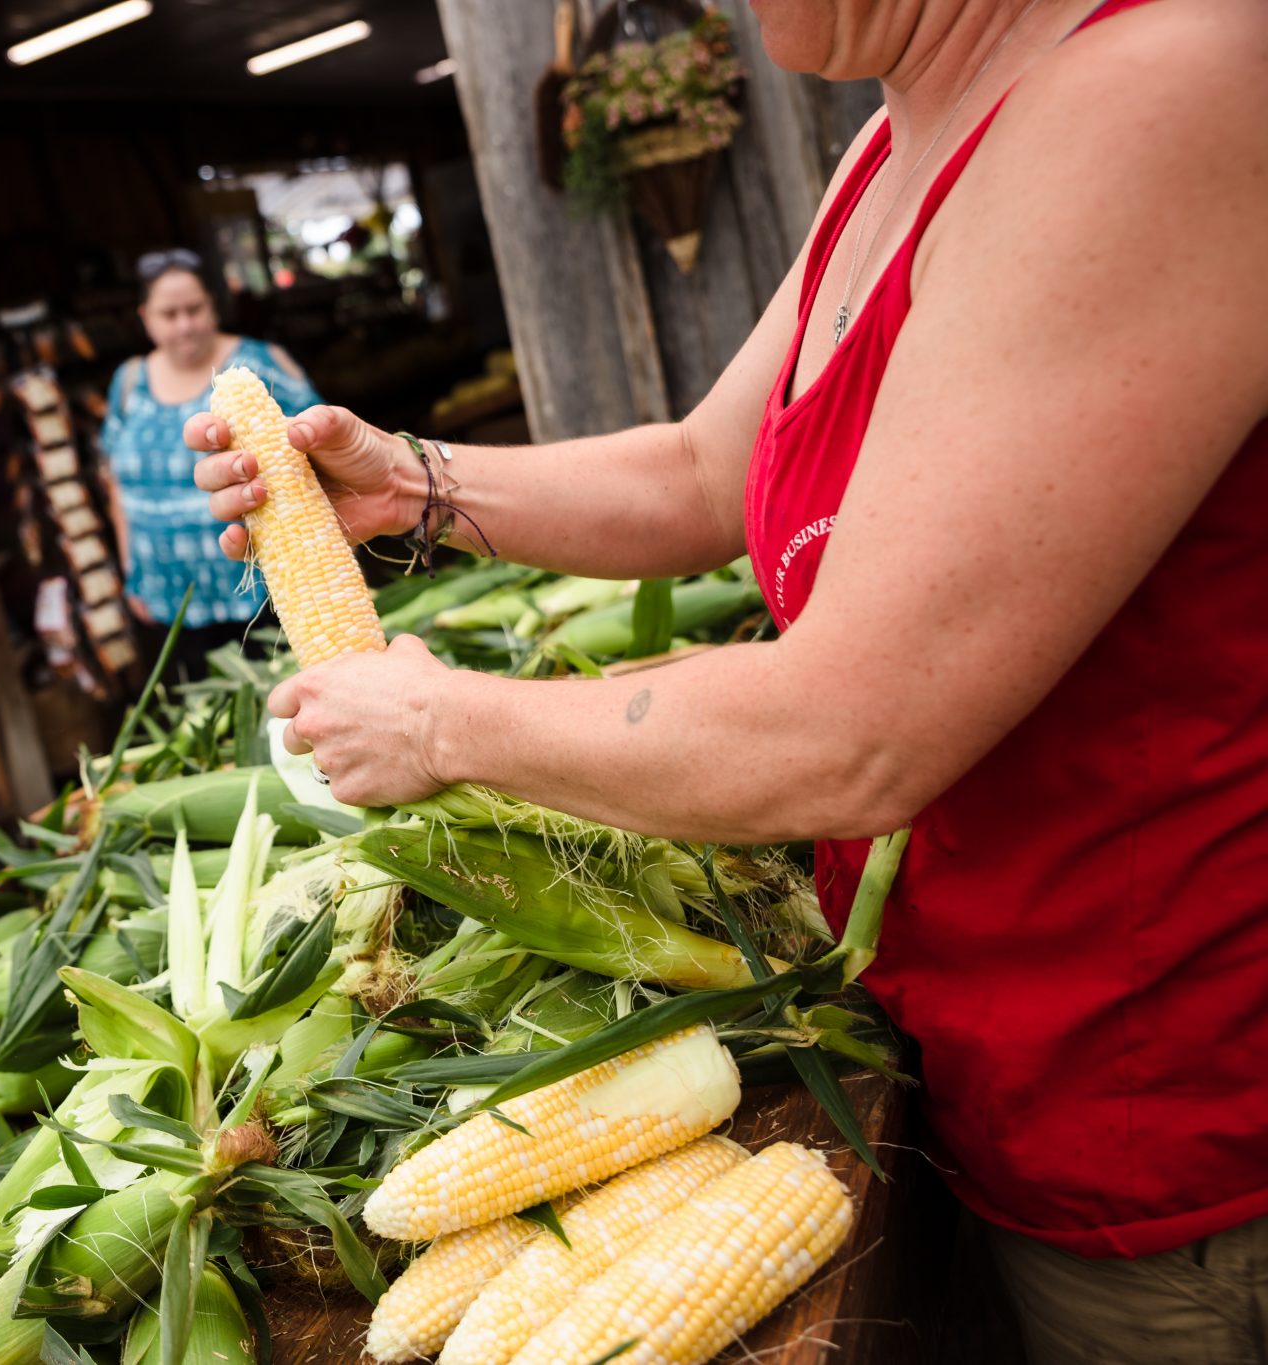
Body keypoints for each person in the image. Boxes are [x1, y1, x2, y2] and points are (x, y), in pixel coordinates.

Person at [187, 1, 1268, 1360]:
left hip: (1178, 1106)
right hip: (1004, 1060)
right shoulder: (891, 141)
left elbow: (855, 731)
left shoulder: (1151, 93)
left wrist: (440, 720)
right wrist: (408, 484)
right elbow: (703, 471)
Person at [99, 248, 322, 677]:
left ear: (213, 306)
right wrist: (131, 570)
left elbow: (318, 445)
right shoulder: (128, 381)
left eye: (194, 309)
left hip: (260, 593)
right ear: (146, 317)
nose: (184, 324)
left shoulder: (259, 362)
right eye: (169, 314)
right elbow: (115, 481)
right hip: (167, 596)